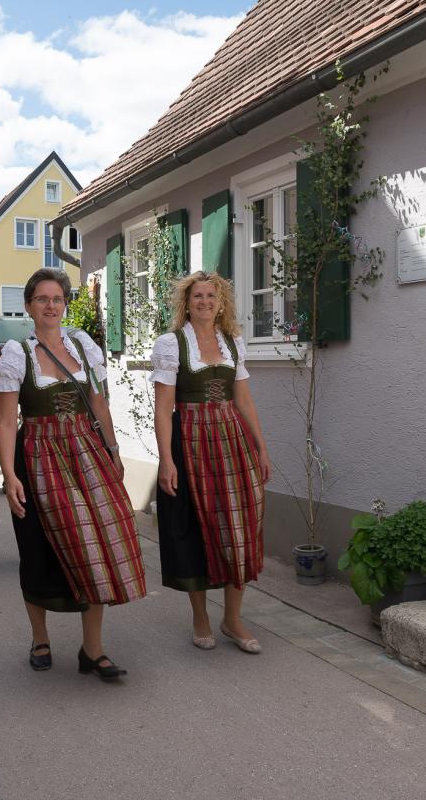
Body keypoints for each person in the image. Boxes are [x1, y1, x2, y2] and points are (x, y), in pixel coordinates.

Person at [0, 268, 145, 680]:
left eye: (57, 298)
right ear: (29, 306)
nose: (50, 306)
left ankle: (92, 649)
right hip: (38, 454)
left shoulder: (82, 345)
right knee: (38, 550)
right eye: (42, 299)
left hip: (87, 452)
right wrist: (9, 475)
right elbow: (6, 421)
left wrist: (114, 451)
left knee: (97, 544)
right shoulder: (16, 354)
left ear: (65, 304)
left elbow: (99, 403)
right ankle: (40, 637)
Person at [150, 271, 271, 654]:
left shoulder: (232, 343)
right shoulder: (171, 344)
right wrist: (167, 459)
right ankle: (201, 616)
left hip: (232, 440)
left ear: (222, 303)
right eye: (198, 296)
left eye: (211, 296)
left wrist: (261, 448)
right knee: (195, 528)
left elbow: (245, 401)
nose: (205, 302)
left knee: (242, 524)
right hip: (190, 442)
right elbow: (163, 408)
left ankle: (232, 619)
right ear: (187, 302)